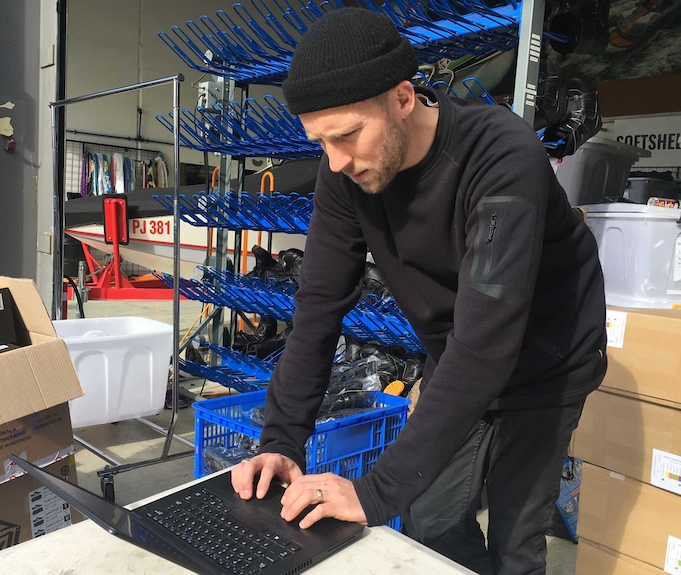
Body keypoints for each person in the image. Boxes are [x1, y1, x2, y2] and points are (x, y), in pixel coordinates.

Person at [230, 8, 608, 575]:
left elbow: (488, 343)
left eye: (349, 135)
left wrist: (376, 491)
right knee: (430, 522)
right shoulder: (346, 172)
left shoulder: (501, 157)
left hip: (547, 358)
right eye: (321, 143)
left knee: (513, 543)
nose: (334, 161)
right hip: (458, 348)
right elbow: (317, 307)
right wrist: (282, 439)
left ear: (403, 97)